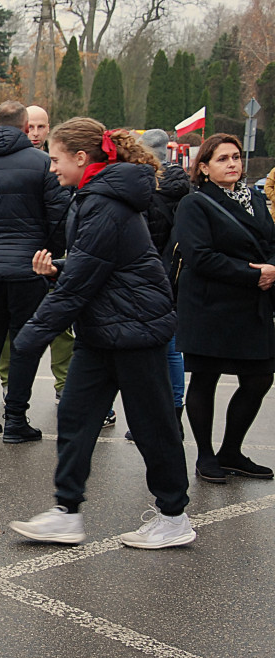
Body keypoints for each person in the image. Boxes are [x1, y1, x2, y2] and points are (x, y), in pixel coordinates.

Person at [8, 118, 195, 549]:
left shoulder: (105, 202)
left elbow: (83, 282)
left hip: (135, 330)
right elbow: (92, 267)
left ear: (81, 157)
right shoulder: (91, 196)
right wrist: (58, 269)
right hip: (102, 329)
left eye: (55, 159)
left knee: (152, 426)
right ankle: (66, 512)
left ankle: (173, 516)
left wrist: (29, 337)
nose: (51, 167)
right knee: (75, 416)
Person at [0, 100, 69, 442]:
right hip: (29, 268)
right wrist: (45, 253)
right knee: (23, 345)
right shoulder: (43, 164)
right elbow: (59, 217)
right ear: (23, 127)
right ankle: (16, 418)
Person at [173, 133, 275, 483]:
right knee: (206, 377)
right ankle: (205, 456)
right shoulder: (194, 204)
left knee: (260, 377)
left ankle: (231, 450)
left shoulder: (256, 200)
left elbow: (271, 242)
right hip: (210, 305)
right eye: (222, 159)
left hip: (253, 305)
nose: (233, 163)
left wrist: (271, 268)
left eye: (235, 157)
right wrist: (253, 274)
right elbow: (199, 256)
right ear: (203, 168)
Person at [0, 103, 75, 407]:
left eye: (41, 126)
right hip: (14, 263)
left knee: (61, 328)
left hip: (53, 261)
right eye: (30, 126)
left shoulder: (58, 165)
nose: (35, 132)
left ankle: (65, 385)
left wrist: (55, 255)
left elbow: (66, 215)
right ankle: (8, 383)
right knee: (9, 329)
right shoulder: (1, 163)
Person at [121, 128, 191, 441]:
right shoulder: (185, 189)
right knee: (172, 349)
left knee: (144, 351)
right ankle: (174, 415)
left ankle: (147, 421)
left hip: (145, 278)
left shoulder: (144, 190)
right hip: (176, 277)